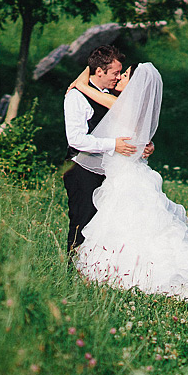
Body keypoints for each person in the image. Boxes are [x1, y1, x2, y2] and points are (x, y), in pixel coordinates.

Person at [73, 62, 188, 302]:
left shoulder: (126, 106)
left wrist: (80, 85)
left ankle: (131, 270)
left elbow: (93, 90)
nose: (120, 78)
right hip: (128, 173)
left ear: (137, 84)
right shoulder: (136, 109)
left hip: (127, 176)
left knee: (128, 223)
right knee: (132, 223)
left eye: (126, 75)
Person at [62, 46, 153, 252]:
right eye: (115, 73)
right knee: (82, 220)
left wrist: (146, 145)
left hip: (112, 171)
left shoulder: (117, 96)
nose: (119, 77)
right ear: (100, 71)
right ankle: (72, 269)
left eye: (121, 73)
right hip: (82, 168)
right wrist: (114, 145)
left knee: (106, 225)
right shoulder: (76, 97)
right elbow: (76, 139)